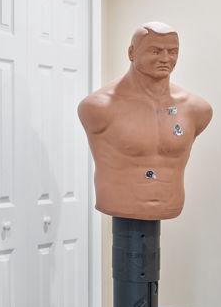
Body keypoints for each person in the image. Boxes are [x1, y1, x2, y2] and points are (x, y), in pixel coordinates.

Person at [76, 21, 213, 221]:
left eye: (172, 51)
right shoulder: (98, 107)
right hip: (118, 203)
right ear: (132, 53)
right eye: (156, 51)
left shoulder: (197, 110)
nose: (166, 58)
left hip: (170, 204)